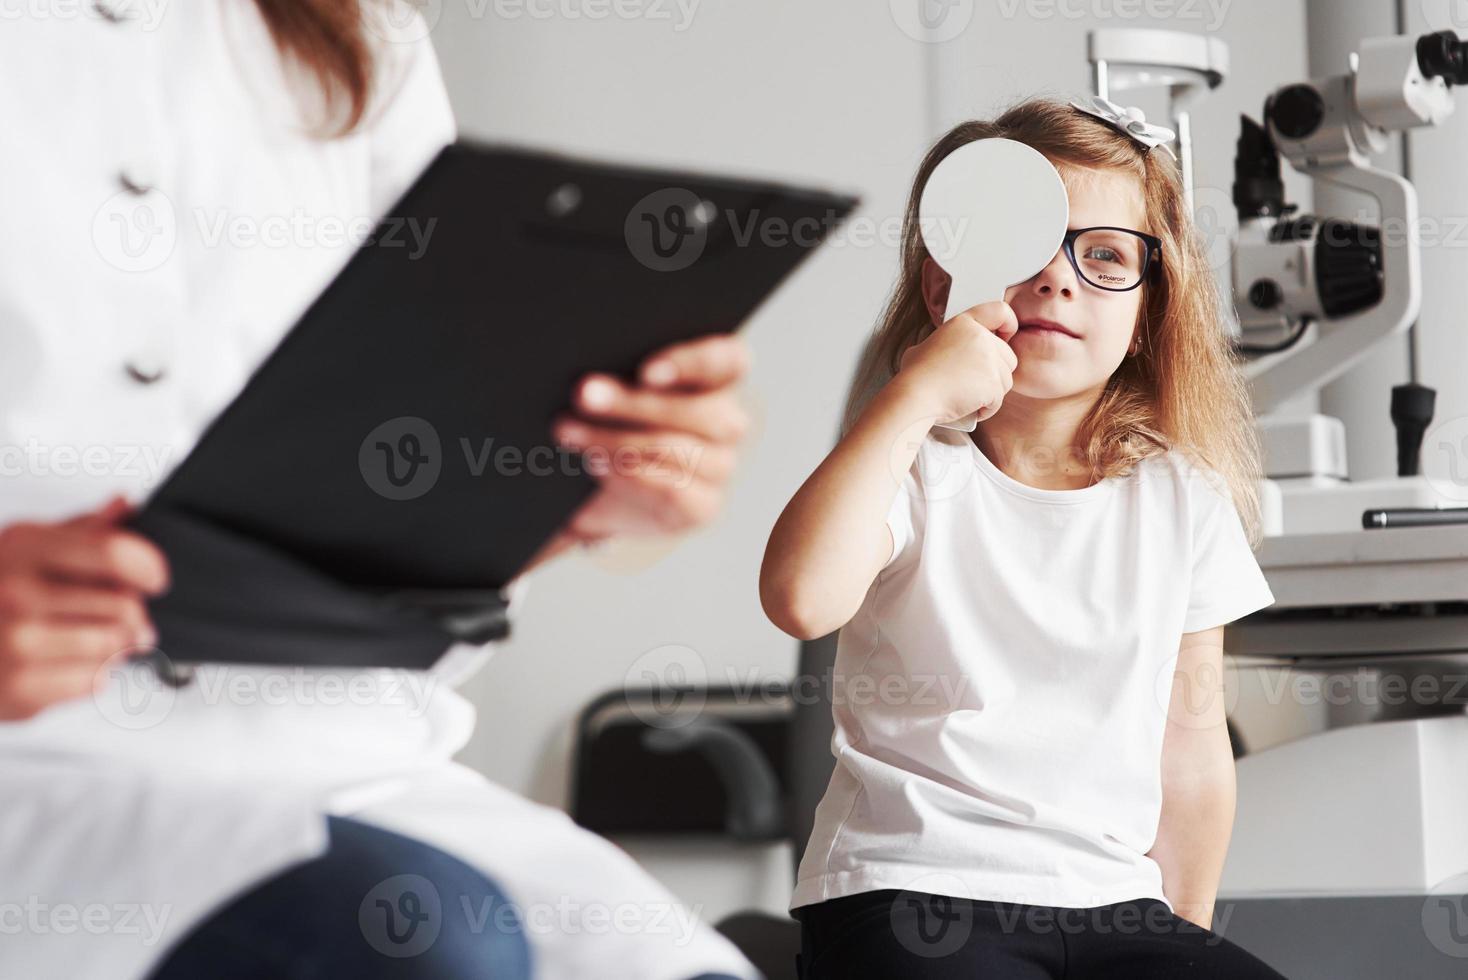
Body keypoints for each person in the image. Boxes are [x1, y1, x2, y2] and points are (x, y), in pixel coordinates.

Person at [0, 2, 757, 978]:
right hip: (33, 772)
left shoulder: (354, 28)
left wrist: (558, 494)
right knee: (424, 942)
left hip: (350, 755)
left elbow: (398, 446)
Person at [760, 96, 1289, 978]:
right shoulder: (914, 469)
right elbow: (800, 598)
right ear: (944, 283)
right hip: (909, 886)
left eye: (1106, 255)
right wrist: (913, 398)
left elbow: (1190, 749)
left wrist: (1181, 938)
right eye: (1021, 244)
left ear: (1149, 310)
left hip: (1113, 904)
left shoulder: (1183, 499)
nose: (1057, 278)